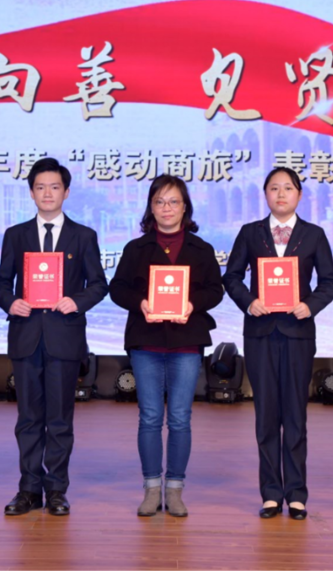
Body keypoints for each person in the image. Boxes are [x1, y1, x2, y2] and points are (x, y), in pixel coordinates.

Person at [0, 158, 108, 517]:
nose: (47, 193)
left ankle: (56, 489)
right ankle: (28, 489)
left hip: (64, 338)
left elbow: (99, 284)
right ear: (31, 193)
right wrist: (10, 302)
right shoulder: (16, 235)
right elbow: (1, 282)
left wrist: (78, 301)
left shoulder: (83, 236)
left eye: (54, 187)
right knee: (28, 418)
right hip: (26, 336)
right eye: (40, 187)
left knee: (59, 419)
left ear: (66, 192)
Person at [222, 167, 333, 520]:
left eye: (288, 188)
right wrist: (249, 301)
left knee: (295, 415)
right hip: (260, 332)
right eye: (274, 188)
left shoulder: (314, 234)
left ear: (299, 194)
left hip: (298, 332)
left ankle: (297, 494)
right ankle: (272, 493)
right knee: (266, 415)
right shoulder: (250, 232)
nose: (281, 194)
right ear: (265, 195)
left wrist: (310, 305)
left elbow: (330, 281)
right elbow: (231, 276)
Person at [109, 175, 224, 517]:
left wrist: (192, 304)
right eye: (159, 202)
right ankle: (150, 488)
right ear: (151, 207)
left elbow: (215, 290)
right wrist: (141, 302)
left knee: (179, 418)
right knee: (149, 417)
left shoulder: (201, 249)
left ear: (185, 207)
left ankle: (174, 489)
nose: (167, 208)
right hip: (146, 341)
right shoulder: (136, 249)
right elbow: (117, 288)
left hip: (186, 342)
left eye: (173, 201)